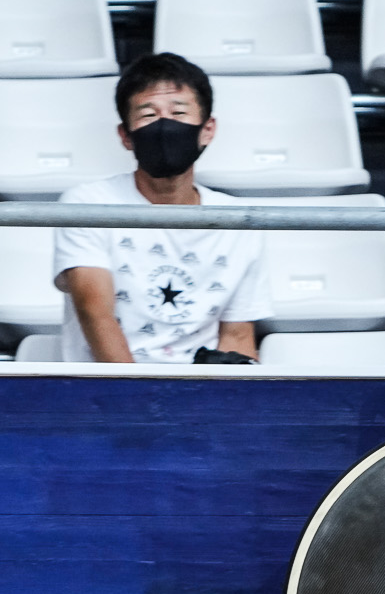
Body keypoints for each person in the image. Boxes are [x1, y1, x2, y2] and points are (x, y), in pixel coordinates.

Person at [52, 53, 270, 364]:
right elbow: (96, 315)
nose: (164, 125)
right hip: (110, 396)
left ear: (207, 129)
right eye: (148, 115)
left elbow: (237, 335)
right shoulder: (88, 205)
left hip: (201, 396)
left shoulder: (236, 220)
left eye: (178, 112)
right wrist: (141, 401)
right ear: (125, 136)